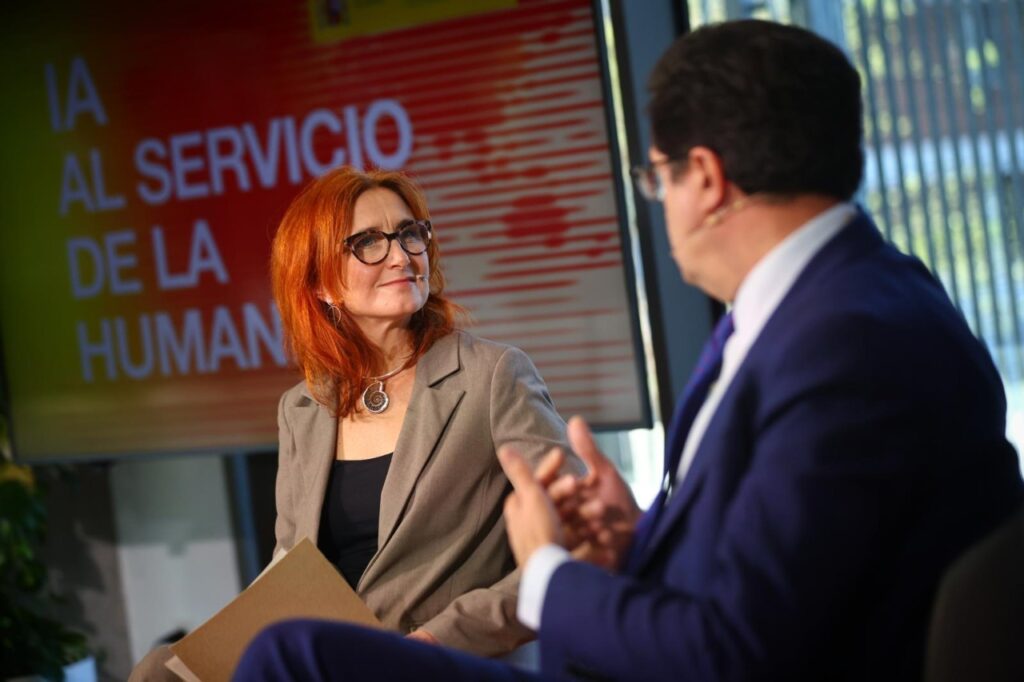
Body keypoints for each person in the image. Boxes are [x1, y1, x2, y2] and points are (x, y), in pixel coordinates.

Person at [232, 20, 1024, 681]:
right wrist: (636, 537)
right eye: (368, 243)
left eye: (656, 178)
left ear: (705, 179)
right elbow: (777, 560)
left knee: (288, 656)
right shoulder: (833, 309)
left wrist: (550, 572)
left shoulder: (840, 345)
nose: (400, 255)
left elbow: (740, 645)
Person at [129, 167, 580, 680]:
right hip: (332, 656)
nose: (401, 255)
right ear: (321, 283)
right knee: (158, 672)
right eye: (368, 242)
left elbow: (572, 542)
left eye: (410, 234)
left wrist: (439, 637)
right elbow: (290, 564)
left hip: (443, 659)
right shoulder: (300, 408)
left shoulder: (492, 375)